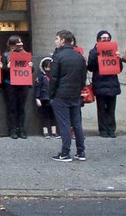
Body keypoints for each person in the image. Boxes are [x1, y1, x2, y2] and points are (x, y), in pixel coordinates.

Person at [49, 30, 87, 162]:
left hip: (61, 94)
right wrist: (79, 89)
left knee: (64, 124)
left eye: (57, 39)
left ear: (63, 40)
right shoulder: (79, 56)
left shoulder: (58, 56)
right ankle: (81, 152)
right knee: (77, 123)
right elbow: (83, 77)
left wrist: (51, 94)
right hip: (75, 94)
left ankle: (65, 152)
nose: (55, 41)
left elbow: (53, 77)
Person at [86, 30, 123, 138]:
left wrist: (118, 59)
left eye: (108, 38)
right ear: (98, 40)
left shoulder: (114, 51)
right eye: (103, 38)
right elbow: (91, 67)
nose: (106, 40)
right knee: (101, 108)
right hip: (100, 83)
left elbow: (119, 69)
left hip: (112, 83)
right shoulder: (93, 52)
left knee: (111, 109)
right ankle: (103, 130)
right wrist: (96, 54)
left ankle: (111, 130)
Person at [2, 35, 31, 139]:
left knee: (21, 107)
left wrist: (30, 66)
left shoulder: (25, 55)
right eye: (17, 43)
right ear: (12, 44)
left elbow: (30, 71)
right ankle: (12, 129)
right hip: (10, 84)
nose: (19, 45)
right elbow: (2, 71)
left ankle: (21, 128)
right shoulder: (6, 55)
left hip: (22, 84)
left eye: (20, 42)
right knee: (12, 107)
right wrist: (7, 66)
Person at [34, 56, 57, 138]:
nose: (48, 69)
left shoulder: (54, 76)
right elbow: (38, 87)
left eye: (49, 67)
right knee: (45, 115)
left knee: (53, 115)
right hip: (44, 98)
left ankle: (54, 132)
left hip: (53, 98)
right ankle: (45, 131)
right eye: (46, 67)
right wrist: (37, 97)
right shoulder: (41, 76)